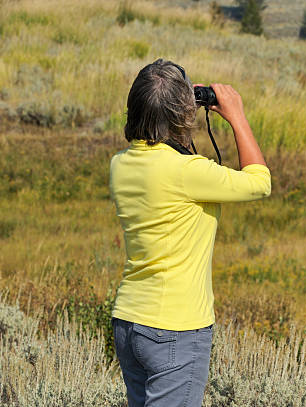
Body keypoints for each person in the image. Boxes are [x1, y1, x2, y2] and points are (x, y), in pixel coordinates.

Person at [109, 59, 271, 407]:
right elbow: (260, 183)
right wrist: (236, 115)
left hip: (129, 321)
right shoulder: (186, 172)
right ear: (183, 113)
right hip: (176, 327)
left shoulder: (120, 163)